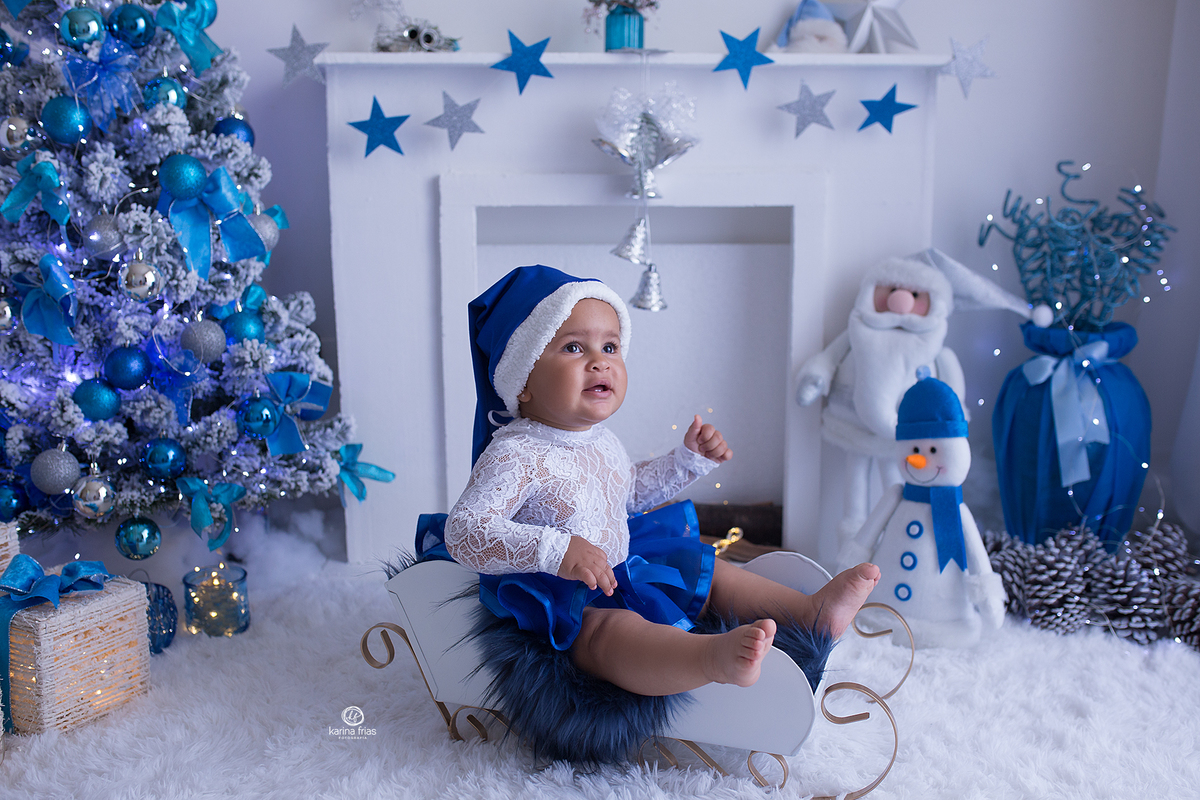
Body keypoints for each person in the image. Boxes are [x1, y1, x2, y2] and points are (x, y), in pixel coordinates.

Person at [445, 265, 880, 697]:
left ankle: (809, 611)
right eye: (574, 347)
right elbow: (464, 531)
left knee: (708, 570)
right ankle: (710, 659)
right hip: (558, 593)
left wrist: (687, 461)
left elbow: (628, 493)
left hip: (620, 563)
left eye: (611, 347)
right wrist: (555, 550)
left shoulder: (602, 441)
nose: (600, 361)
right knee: (609, 634)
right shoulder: (514, 452)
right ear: (521, 381)